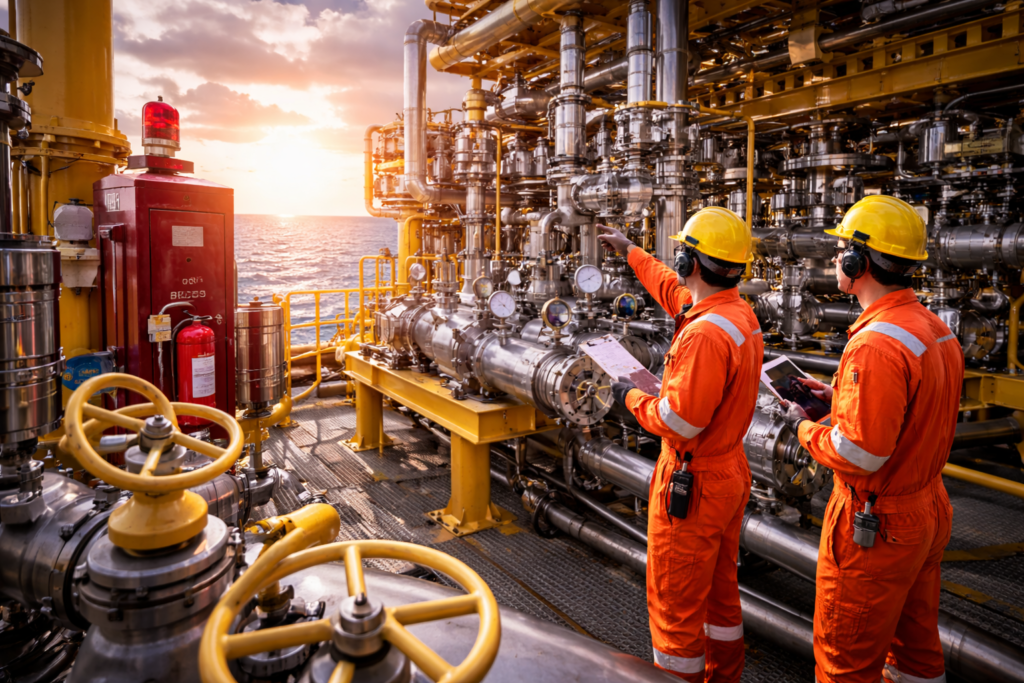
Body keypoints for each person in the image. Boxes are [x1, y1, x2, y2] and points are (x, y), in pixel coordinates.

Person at [778, 195, 964, 683]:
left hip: (876, 524)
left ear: (860, 262)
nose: (837, 259)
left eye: (842, 251)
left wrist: (803, 426)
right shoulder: (933, 329)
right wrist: (838, 393)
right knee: (915, 649)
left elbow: (860, 453)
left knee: (846, 663)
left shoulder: (876, 343)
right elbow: (912, 412)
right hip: (925, 508)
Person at [598, 207, 763, 683]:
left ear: (692, 263)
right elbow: (673, 290)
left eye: (681, 257)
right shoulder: (734, 313)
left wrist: (628, 395)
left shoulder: (705, 334)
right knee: (718, 594)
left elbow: (678, 421)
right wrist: (631, 252)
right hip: (729, 472)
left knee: (675, 609)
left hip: (692, 483)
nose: (679, 267)